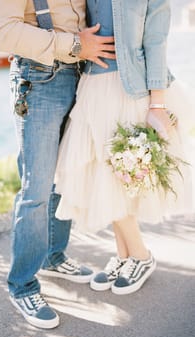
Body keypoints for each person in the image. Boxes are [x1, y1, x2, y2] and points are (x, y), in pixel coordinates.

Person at [0, 0, 116, 329]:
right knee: (37, 189)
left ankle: (53, 256)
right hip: (39, 79)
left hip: (81, 75)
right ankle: (22, 285)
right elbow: (3, 32)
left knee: (64, 177)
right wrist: (74, 44)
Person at [55, 0, 194, 295]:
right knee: (104, 171)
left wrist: (157, 104)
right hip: (91, 84)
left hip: (128, 88)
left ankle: (141, 255)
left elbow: (156, 40)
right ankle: (125, 255)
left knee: (118, 171)